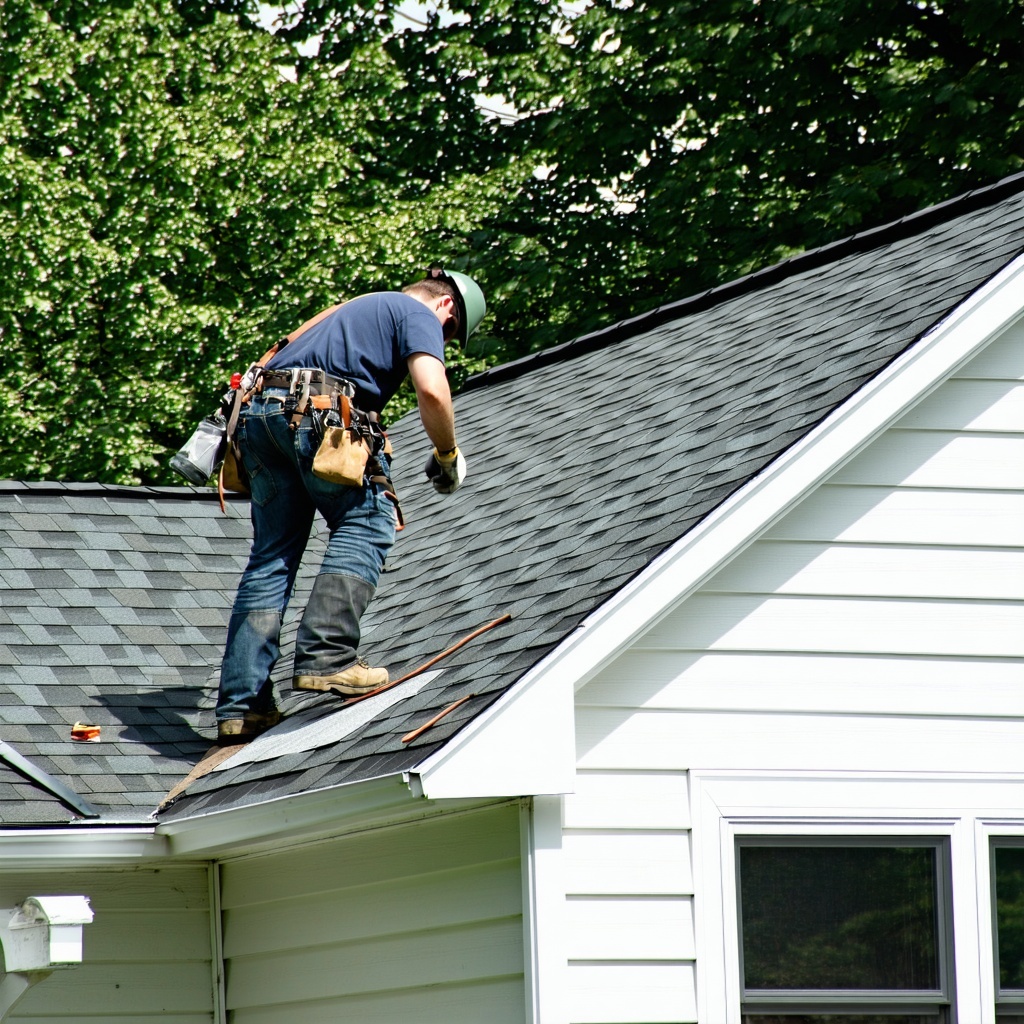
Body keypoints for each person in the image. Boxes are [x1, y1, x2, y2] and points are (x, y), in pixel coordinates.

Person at [215, 265, 486, 745]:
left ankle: (242, 706)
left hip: (257, 422)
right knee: (369, 519)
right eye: (449, 331)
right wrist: (447, 453)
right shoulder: (417, 313)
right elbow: (431, 388)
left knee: (271, 557)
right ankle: (328, 655)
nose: (442, 339)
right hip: (316, 414)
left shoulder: (349, 314)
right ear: (446, 305)